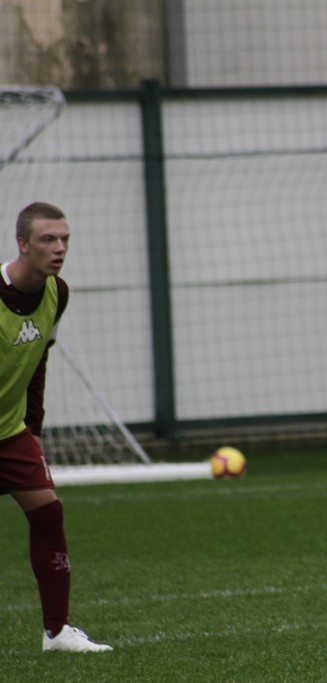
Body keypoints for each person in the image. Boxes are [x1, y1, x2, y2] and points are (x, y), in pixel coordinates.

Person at [1, 202, 112, 653]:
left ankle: (57, 632)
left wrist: (33, 430)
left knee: (48, 513)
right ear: (22, 244)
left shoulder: (57, 293)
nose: (60, 247)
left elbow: (38, 362)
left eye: (65, 238)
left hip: (10, 432)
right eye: (48, 239)